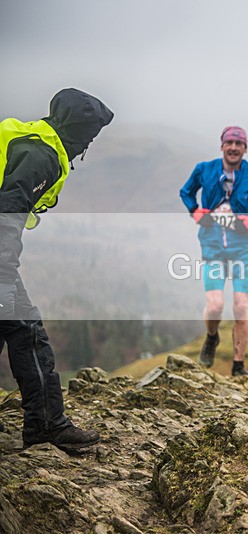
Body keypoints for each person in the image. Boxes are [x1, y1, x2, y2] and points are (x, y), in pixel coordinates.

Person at [0, 88, 113, 451]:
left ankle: (46, 423)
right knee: (27, 332)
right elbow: (8, 215)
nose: (88, 143)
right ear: (74, 130)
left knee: (22, 329)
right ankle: (46, 425)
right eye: (87, 134)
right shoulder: (41, 155)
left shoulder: (35, 138)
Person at [179, 126, 248, 377]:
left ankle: (238, 365)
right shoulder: (204, 169)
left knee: (240, 305)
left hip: (244, 248)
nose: (234, 147)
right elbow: (186, 191)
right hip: (212, 245)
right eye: (229, 143)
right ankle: (212, 337)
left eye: (239, 143)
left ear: (245, 148)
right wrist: (195, 210)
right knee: (214, 306)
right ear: (222, 146)